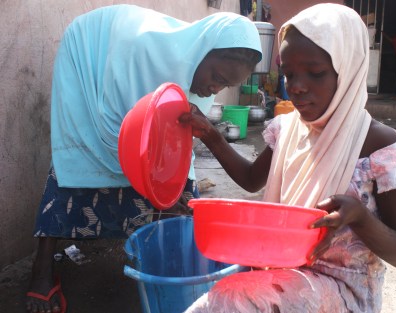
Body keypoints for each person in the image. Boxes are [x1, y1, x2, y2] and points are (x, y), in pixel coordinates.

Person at [180, 3, 396, 312]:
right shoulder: (289, 129)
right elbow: (252, 180)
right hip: (281, 267)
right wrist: (211, 135)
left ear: (348, 69)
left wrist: (360, 218)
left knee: (229, 300)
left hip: (343, 289)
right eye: (289, 74)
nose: (296, 86)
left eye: (316, 72)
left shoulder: (380, 146)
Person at [26, 5, 262, 313]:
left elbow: (173, 142)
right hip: (91, 60)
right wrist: (150, 186)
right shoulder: (140, 49)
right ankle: (42, 269)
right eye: (216, 77)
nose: (215, 88)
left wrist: (166, 188)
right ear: (203, 50)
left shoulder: (196, 70)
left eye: (225, 85)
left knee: (178, 189)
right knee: (81, 155)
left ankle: (166, 253)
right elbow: (114, 126)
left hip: (127, 82)